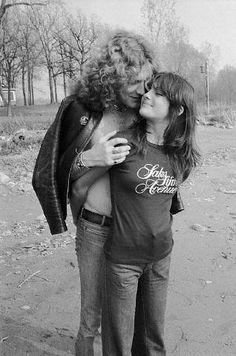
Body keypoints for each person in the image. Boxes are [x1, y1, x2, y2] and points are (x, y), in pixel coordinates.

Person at [33, 30, 183, 356]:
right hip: (96, 229)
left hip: (138, 234)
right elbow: (50, 170)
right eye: (132, 82)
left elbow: (167, 154)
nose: (141, 90)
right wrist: (89, 158)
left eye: (146, 81)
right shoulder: (78, 110)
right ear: (109, 78)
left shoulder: (144, 111)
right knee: (92, 317)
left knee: (130, 319)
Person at [73, 72, 201, 355]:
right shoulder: (124, 143)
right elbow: (80, 185)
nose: (148, 94)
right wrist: (82, 225)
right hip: (123, 261)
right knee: (118, 341)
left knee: (153, 340)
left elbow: (165, 201)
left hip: (160, 258)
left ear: (177, 109)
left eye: (158, 93)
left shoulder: (181, 154)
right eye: (150, 89)